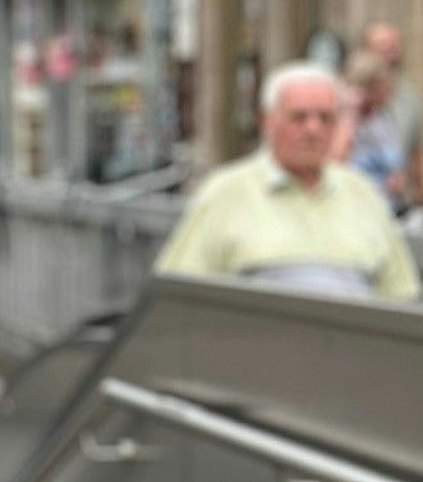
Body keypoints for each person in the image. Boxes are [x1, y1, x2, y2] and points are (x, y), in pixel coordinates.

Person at [155, 62, 419, 299]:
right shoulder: (224, 194)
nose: (313, 130)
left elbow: (401, 298)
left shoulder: (364, 195)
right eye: (299, 117)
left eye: (325, 118)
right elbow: (176, 299)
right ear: (266, 121)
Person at [335, 51, 406, 210]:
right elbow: (335, 163)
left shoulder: (382, 119)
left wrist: (397, 179)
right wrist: (351, 112)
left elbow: (395, 163)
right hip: (355, 206)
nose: (388, 91)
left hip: (388, 206)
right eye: (382, 86)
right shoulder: (342, 118)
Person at [362, 21, 422, 197]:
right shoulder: (345, 98)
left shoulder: (409, 97)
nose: (390, 53)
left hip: (399, 198)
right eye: (382, 47)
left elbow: (417, 152)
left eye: (394, 46)